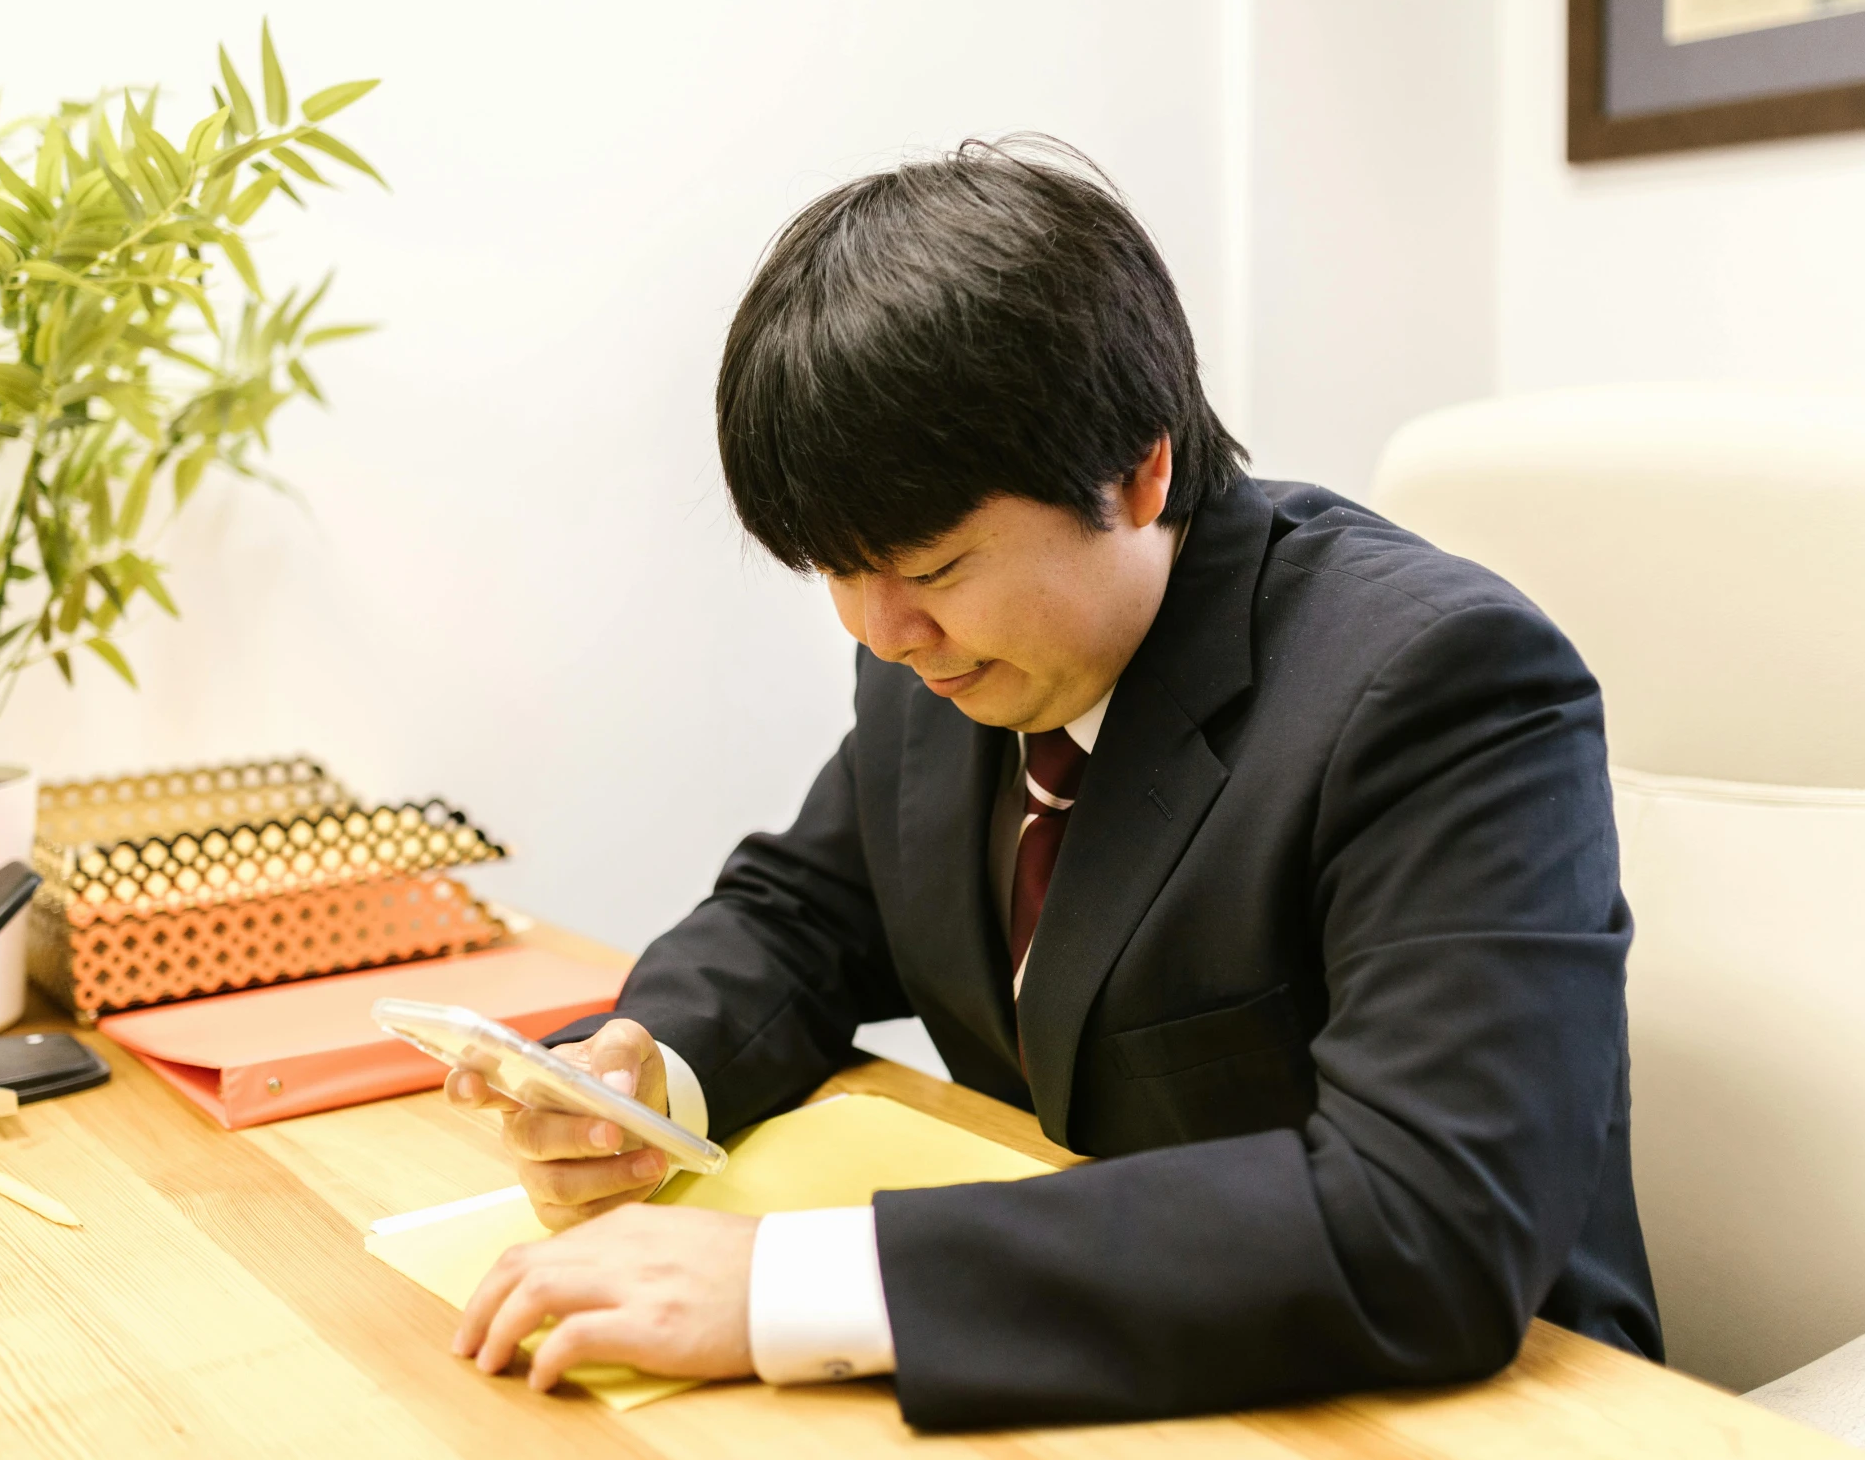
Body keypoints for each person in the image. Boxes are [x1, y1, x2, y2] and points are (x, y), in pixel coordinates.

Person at [442, 138, 1663, 1430]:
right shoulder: (954, 661)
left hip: (1466, 1410)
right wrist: (644, 1077)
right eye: (834, 572)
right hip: (1123, 1383)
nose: (878, 628)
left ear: (1138, 472)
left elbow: (1425, 1221)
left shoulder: (1437, 685)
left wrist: (790, 1281)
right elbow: (798, 914)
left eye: (934, 561)